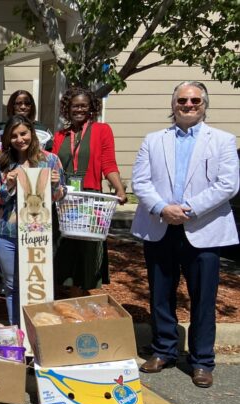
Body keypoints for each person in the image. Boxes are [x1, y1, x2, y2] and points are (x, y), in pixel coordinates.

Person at [131, 81, 239, 388]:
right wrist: (163, 208)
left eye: (195, 100)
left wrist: (188, 209)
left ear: (205, 104)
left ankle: (202, 360)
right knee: (160, 295)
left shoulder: (222, 140)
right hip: (160, 226)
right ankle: (163, 349)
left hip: (203, 230)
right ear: (173, 104)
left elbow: (228, 184)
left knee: (203, 298)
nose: (188, 105)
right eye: (182, 100)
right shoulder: (153, 140)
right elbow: (141, 180)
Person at [0, 116, 66, 325]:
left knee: (37, 283)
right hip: (7, 232)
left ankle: (39, 330)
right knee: (12, 285)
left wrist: (56, 185)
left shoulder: (50, 160)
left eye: (23, 133)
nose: (19, 139)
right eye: (13, 136)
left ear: (31, 133)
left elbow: (61, 195)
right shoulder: (3, 161)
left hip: (38, 233)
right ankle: (17, 332)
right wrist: (8, 186)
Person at [52, 87, 128, 297]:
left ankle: (79, 295)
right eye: (75, 105)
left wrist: (119, 189)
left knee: (85, 248)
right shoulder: (60, 135)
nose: (79, 109)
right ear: (68, 108)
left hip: (90, 197)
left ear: (91, 108)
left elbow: (108, 164)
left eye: (84, 105)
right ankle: (62, 293)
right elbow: (51, 164)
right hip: (64, 198)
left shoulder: (102, 130)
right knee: (64, 245)